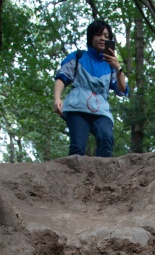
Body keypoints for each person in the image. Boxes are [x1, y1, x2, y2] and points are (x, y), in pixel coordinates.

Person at [53, 20, 128, 157]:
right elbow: (62, 77)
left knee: (106, 138)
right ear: (91, 37)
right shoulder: (78, 57)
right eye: (99, 35)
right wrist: (57, 98)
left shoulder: (111, 65)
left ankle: (102, 176)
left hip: (101, 110)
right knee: (78, 146)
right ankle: (74, 177)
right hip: (77, 107)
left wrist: (118, 68)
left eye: (106, 36)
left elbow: (122, 90)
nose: (103, 39)